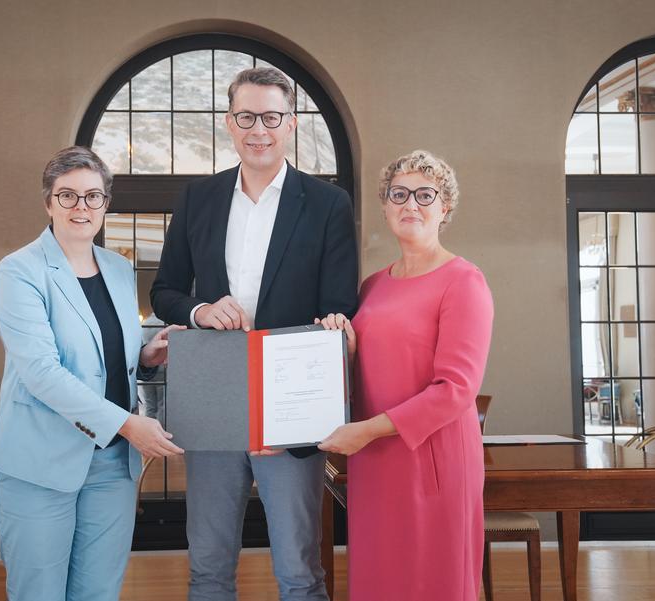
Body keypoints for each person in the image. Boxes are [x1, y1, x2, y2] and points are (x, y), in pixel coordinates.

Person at [150, 67, 358, 601]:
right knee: (209, 566)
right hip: (215, 396)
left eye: (270, 117)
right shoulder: (198, 198)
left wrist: (331, 328)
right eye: (246, 117)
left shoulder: (328, 204)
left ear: (290, 123)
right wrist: (198, 311)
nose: (258, 129)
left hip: (292, 406)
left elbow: (339, 304)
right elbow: (166, 290)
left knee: (299, 570)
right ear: (229, 122)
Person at [0, 146, 184, 601]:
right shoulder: (19, 271)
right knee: (39, 594)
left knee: (98, 592)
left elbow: (107, 355)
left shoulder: (116, 267)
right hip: (40, 462)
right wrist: (129, 424)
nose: (81, 207)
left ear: (106, 203)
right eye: (68, 196)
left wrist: (146, 355)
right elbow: (42, 373)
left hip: (112, 466)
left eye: (93, 196)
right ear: (48, 202)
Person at [317, 150, 493, 601]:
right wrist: (346, 350)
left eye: (424, 194)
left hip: (431, 459)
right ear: (385, 205)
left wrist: (368, 433)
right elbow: (371, 369)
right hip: (374, 460)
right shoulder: (372, 286)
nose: (410, 204)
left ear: (445, 208)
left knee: (432, 580)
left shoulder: (463, 281)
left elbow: (456, 390)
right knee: (379, 579)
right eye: (399, 194)